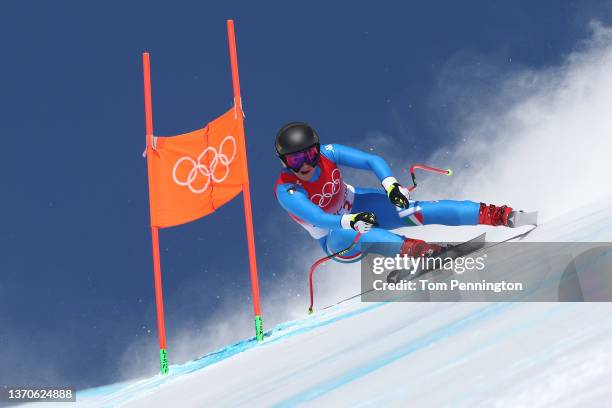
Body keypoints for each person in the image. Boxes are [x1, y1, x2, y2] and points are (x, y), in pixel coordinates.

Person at [274, 122, 536, 260]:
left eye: (309, 154)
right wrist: (349, 220)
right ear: (285, 162)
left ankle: (501, 215)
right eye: (296, 160)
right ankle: (421, 251)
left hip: (361, 204)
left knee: (414, 210)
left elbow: (370, 161)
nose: (306, 164)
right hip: (337, 238)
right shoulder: (287, 189)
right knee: (348, 232)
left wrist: (391, 185)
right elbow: (319, 219)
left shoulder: (328, 153)